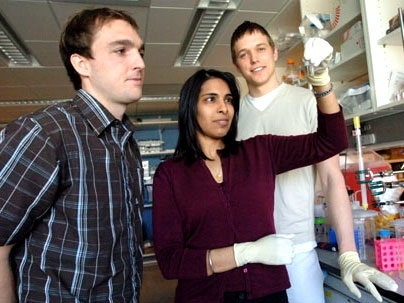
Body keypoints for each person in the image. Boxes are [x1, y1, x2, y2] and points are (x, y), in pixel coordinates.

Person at [230, 21, 398, 303]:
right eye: (244, 54)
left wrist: (348, 254)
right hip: (251, 250)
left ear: (274, 53)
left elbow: (332, 178)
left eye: (260, 49)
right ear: (236, 63)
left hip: (299, 249)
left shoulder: (309, 102)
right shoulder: (233, 118)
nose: (254, 59)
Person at [152, 66, 348, 302]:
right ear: (190, 107)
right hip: (204, 296)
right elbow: (170, 261)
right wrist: (244, 254)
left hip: (268, 293)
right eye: (210, 99)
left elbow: (332, 141)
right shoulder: (170, 174)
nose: (223, 108)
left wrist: (321, 82)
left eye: (229, 100)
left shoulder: (260, 152)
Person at [0, 7, 145, 302]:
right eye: (121, 50)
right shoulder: (45, 133)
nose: (140, 62)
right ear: (82, 63)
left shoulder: (126, 143)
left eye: (140, 52)